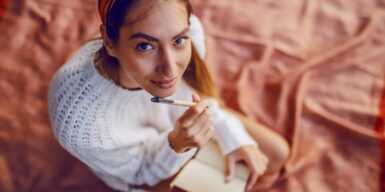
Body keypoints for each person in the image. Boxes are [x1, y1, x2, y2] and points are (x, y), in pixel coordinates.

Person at [48, 0, 290, 191]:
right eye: (145, 46)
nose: (170, 69)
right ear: (109, 42)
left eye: (179, 41)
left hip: (179, 132)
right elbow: (140, 175)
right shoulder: (77, 118)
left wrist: (232, 136)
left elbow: (197, 97)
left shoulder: (191, 30)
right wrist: (175, 145)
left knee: (276, 155)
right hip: (146, 168)